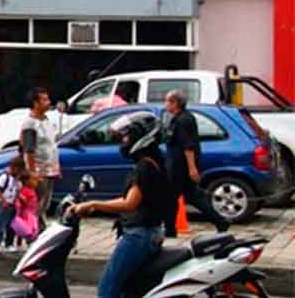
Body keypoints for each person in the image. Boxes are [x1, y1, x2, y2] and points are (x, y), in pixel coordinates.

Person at [72, 111, 171, 298]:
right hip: (151, 231)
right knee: (129, 289)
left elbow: (129, 204)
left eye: (126, 136)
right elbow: (134, 200)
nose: (123, 141)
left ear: (141, 137)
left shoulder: (145, 166)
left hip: (139, 235)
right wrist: (93, 206)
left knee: (107, 290)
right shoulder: (155, 161)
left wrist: (94, 204)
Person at [163, 88, 230, 236]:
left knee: (171, 197)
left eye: (167, 101)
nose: (165, 104)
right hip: (178, 165)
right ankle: (220, 222)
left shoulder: (183, 120)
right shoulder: (180, 118)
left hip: (180, 167)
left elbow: (188, 146)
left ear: (175, 103)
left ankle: (170, 230)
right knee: (191, 197)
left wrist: (192, 168)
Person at [19, 87, 60, 226]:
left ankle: (38, 228)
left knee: (44, 204)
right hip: (38, 171)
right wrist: (32, 173)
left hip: (49, 171)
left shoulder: (47, 120)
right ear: (35, 103)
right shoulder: (30, 124)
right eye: (44, 100)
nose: (48, 102)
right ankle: (32, 230)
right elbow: (29, 150)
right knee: (36, 205)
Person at [0, 155, 25, 253]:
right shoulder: (4, 177)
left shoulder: (17, 180)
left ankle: (9, 243)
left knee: (11, 226)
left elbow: (17, 191)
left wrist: (19, 199)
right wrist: (3, 201)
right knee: (1, 225)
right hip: (3, 205)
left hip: (12, 205)